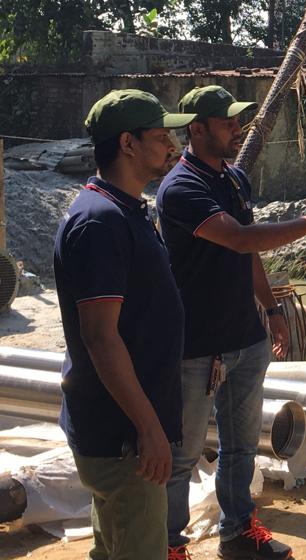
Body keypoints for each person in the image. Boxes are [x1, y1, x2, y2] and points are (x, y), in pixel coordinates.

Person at [157, 85, 306, 560]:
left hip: (245, 340)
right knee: (183, 457)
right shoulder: (180, 189)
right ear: (197, 128)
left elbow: (248, 258)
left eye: (237, 120)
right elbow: (241, 239)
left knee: (241, 447)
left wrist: (271, 310)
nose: (238, 128)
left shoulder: (233, 179)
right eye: (227, 122)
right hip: (197, 348)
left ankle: (238, 533)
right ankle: (169, 546)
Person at [54, 90, 195, 559]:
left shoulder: (124, 209)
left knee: (112, 546)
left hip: (122, 431)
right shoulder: (101, 223)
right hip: (123, 438)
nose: (173, 147)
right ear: (128, 144)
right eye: (161, 137)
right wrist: (148, 428)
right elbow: (100, 336)